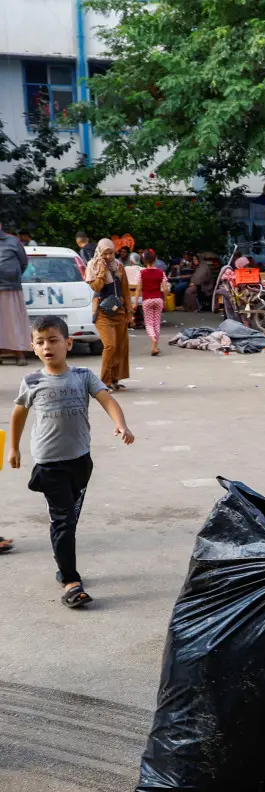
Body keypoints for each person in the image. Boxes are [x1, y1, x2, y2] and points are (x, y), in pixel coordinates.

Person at [7, 315, 135, 607]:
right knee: (63, 520)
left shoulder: (82, 376)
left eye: (53, 340)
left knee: (70, 518)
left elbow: (107, 400)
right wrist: (12, 449)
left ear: (68, 342)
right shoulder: (32, 381)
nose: (47, 346)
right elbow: (18, 415)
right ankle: (70, 581)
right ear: (33, 348)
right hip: (49, 463)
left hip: (81, 461)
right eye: (40, 342)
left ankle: (63, 563)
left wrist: (121, 424)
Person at [86, 239, 134, 391]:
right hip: (101, 311)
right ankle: (104, 382)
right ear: (99, 252)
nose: (108, 256)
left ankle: (115, 379)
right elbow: (97, 286)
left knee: (120, 346)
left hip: (118, 310)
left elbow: (125, 290)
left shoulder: (119, 266)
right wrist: (102, 270)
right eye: (105, 253)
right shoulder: (92, 266)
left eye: (111, 253)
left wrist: (129, 311)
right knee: (110, 345)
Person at [0, 220, 31, 365]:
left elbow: (24, 262)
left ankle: (20, 355)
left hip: (10, 288)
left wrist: (12, 274)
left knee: (14, 322)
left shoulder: (13, 241)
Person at [137, 249, 169, 357]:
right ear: (155, 259)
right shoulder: (161, 273)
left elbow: (138, 288)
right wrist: (164, 300)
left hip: (147, 300)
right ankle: (155, 346)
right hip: (158, 299)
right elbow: (165, 288)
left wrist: (135, 302)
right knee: (156, 323)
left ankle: (153, 341)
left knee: (149, 323)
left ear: (144, 261)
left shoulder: (141, 273)